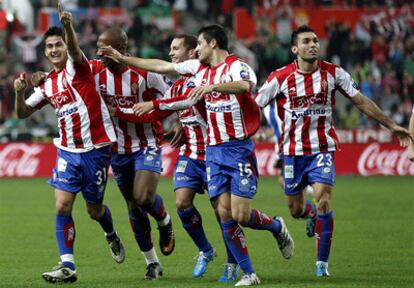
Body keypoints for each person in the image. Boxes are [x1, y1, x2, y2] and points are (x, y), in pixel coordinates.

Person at [100, 24, 294, 287]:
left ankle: (270, 231)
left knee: (236, 215)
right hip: (204, 151)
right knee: (192, 205)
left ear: (209, 45)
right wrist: (123, 60)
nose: (171, 54)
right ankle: (234, 264)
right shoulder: (192, 73)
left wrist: (211, 87)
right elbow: (160, 72)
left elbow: (246, 86)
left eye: (178, 48)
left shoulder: (235, 66)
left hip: (236, 149)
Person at [255, 25, 413, 277]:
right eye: (307, 41)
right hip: (292, 153)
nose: (313, 44)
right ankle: (309, 215)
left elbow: (360, 100)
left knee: (324, 200)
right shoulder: (280, 77)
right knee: (295, 209)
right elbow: (254, 106)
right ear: (295, 48)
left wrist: (392, 124)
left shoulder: (333, 73)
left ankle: (321, 265)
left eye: (316, 40)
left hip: (322, 149)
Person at [115, 33, 241, 282]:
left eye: (176, 49)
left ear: (193, 52)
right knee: (182, 203)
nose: (171, 53)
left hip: (214, 153)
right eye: (170, 48)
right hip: (190, 153)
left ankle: (233, 261)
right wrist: (177, 123)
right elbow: (167, 107)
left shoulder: (204, 76)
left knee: (222, 212)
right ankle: (206, 250)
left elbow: (182, 102)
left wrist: (153, 105)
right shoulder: (177, 84)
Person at [13, 3, 124, 284]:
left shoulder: (79, 69)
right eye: (49, 46)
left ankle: (110, 233)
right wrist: (19, 93)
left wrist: (69, 26)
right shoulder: (47, 84)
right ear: (45, 51)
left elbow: (75, 51)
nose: (53, 50)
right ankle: (68, 266)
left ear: (65, 46)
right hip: (66, 150)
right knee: (62, 206)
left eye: (57, 45)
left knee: (94, 210)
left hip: (96, 149)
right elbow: (23, 113)